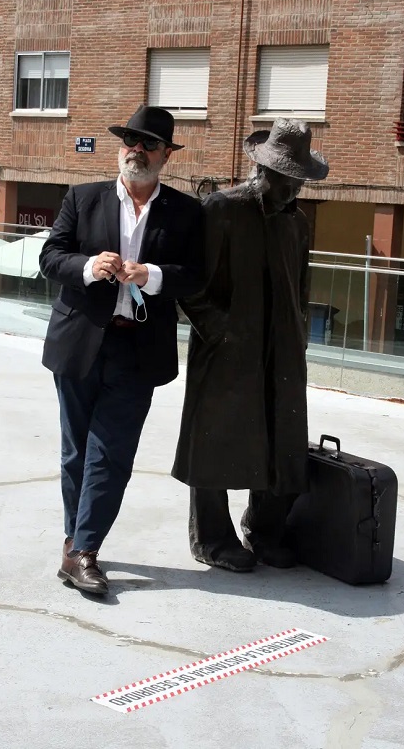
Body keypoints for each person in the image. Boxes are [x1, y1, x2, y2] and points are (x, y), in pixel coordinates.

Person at [40, 105, 204, 594]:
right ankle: (78, 545)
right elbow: (51, 257)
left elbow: (196, 276)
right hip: (79, 342)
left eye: (148, 143)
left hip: (138, 348)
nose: (137, 149)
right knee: (76, 453)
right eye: (130, 140)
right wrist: (90, 266)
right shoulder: (82, 197)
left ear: (166, 155)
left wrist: (150, 275)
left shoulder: (186, 212)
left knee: (110, 454)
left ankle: (83, 551)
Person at [172, 118, 329, 573]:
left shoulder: (296, 223)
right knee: (215, 441)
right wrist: (218, 330)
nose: (295, 189)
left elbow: (301, 286)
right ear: (266, 170)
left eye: (300, 180)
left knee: (284, 441)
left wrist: (298, 334)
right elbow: (189, 281)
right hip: (226, 349)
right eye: (288, 179)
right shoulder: (222, 208)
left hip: (281, 349)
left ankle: (263, 529)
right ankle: (212, 538)